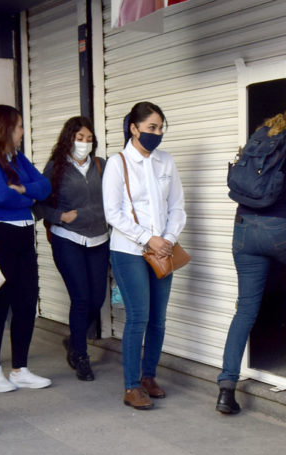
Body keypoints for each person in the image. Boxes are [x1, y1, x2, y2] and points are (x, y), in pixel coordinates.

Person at [102, 101, 186, 410]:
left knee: (159, 319)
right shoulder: (118, 163)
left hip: (162, 251)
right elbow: (113, 213)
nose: (157, 133)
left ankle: (149, 376)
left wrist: (168, 239)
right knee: (138, 316)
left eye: (161, 128)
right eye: (151, 127)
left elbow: (178, 206)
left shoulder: (166, 162)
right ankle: (131, 386)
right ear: (134, 128)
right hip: (129, 251)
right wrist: (146, 238)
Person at [0, 104, 52, 393]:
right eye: (18, 127)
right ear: (5, 127)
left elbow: (45, 185)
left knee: (27, 303)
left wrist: (25, 190)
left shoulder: (15, 157)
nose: (22, 133)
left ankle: (20, 368)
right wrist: (27, 198)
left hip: (25, 234)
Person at [216, 111, 286, 414]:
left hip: (244, 229)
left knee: (245, 309)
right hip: (279, 228)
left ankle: (225, 389)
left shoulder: (256, 141)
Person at [39, 116, 108, 382]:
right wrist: (60, 217)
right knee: (80, 298)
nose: (84, 143)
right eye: (80, 138)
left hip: (99, 239)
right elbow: (39, 205)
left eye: (89, 139)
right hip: (67, 239)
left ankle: (74, 338)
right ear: (69, 138)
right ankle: (81, 355)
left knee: (97, 299)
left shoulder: (102, 166)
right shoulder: (56, 167)